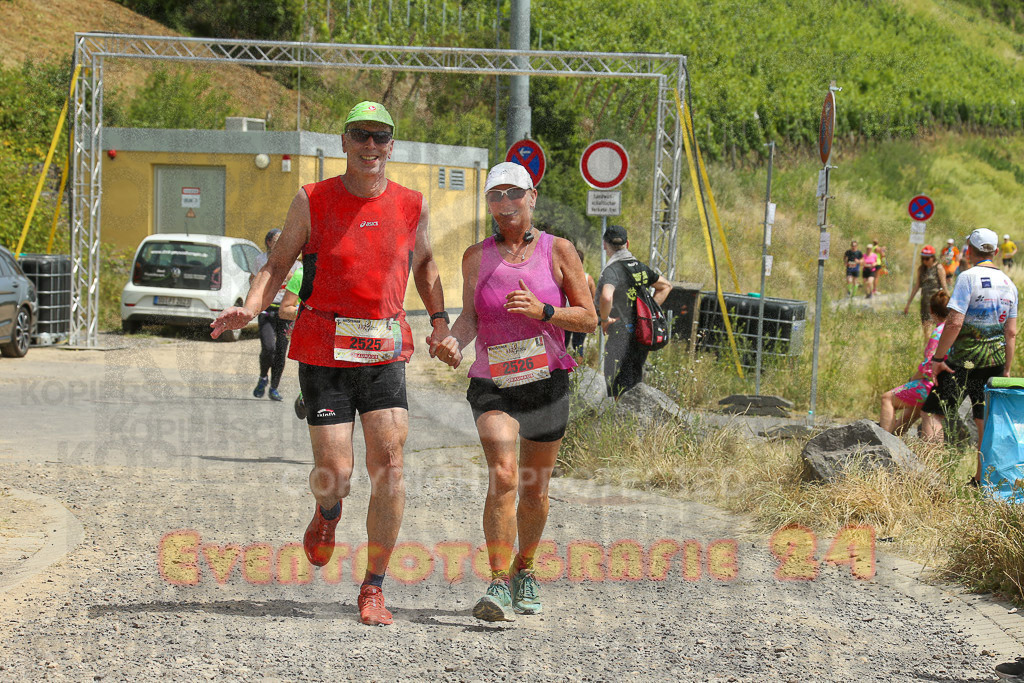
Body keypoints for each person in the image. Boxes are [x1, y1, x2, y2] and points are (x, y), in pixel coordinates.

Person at [211, 101, 451, 626]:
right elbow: (279, 263)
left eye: (380, 137)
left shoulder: (412, 204)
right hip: (324, 348)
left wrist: (439, 322)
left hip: (384, 348)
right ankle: (327, 513)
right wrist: (250, 309)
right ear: (343, 141)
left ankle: (373, 587)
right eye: (361, 136)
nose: (371, 146)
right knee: (336, 473)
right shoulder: (313, 199)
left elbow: (427, 264)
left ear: (392, 145)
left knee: (389, 466)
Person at [429, 162, 597, 622]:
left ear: (532, 196)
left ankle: (526, 568)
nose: (505, 204)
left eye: (514, 194)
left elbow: (588, 318)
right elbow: (469, 318)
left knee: (534, 488)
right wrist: (453, 342)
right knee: (503, 474)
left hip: (546, 380)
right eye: (495, 196)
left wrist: (545, 311)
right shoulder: (475, 255)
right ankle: (499, 580)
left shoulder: (559, 250)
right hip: (493, 382)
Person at [920, 228, 1018, 485]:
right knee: (982, 419)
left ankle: (931, 480)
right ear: (996, 252)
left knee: (933, 412)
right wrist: (1006, 368)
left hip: (963, 360)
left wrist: (938, 358)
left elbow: (953, 322)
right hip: (995, 361)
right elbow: (1011, 332)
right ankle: (980, 481)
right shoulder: (1010, 285)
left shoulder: (967, 277)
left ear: (970, 251)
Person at [596, 224, 673, 397]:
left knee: (614, 378)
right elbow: (666, 286)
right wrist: (647, 314)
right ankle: (632, 417)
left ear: (604, 245)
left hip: (620, 331)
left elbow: (606, 297)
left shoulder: (613, 270)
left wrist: (605, 319)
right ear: (627, 244)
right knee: (634, 376)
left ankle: (616, 418)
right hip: (641, 332)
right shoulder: (639, 266)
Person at [881, 290, 949, 435]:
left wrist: (912, 379)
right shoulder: (952, 330)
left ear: (931, 311)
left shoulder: (938, 333)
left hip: (931, 385)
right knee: (912, 409)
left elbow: (928, 367)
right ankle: (893, 438)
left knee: (887, 398)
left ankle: (882, 443)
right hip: (946, 383)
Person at [251, 228, 299, 401]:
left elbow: (299, 282)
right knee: (268, 347)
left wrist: (290, 275)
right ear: (269, 242)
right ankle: (263, 377)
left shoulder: (295, 263)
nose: (280, 243)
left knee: (280, 350)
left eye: (283, 240)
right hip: (267, 309)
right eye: (276, 240)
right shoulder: (261, 260)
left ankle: (274, 387)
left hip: (285, 311)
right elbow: (253, 280)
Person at [903, 245, 947, 344]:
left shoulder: (938, 268)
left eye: (927, 258)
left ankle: (939, 349)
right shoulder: (921, 269)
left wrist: (949, 301)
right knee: (926, 325)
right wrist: (908, 303)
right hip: (925, 302)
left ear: (933, 257)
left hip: (936, 301)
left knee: (940, 326)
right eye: (923, 258)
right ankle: (928, 349)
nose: (925, 261)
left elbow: (944, 286)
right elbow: (916, 287)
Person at [278, 263, 306, 420]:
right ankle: (305, 397)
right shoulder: (302, 274)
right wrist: (312, 313)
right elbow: (284, 310)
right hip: (311, 337)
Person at [564, 246, 596, 356]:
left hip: (567, 315)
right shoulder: (588, 278)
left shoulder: (564, 277)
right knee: (578, 345)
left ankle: (567, 369)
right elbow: (593, 300)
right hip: (581, 315)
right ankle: (578, 369)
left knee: (564, 344)